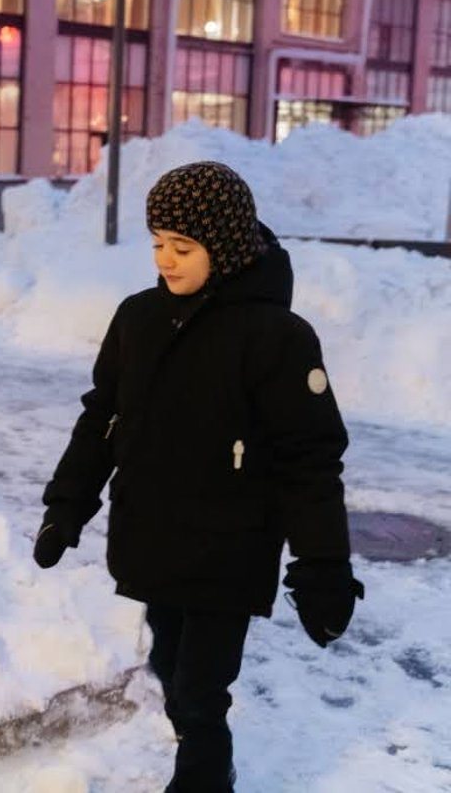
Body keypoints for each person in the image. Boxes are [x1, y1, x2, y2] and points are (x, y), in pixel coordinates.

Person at [30, 161, 364, 792]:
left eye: (183, 247)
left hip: (229, 549)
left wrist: (324, 566)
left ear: (227, 246)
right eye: (158, 243)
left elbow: (310, 459)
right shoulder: (138, 319)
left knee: (201, 687)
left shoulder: (277, 337)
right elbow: (103, 418)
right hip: (153, 538)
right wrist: (67, 505)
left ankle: (204, 774)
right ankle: (196, 738)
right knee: (167, 660)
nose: (166, 260)